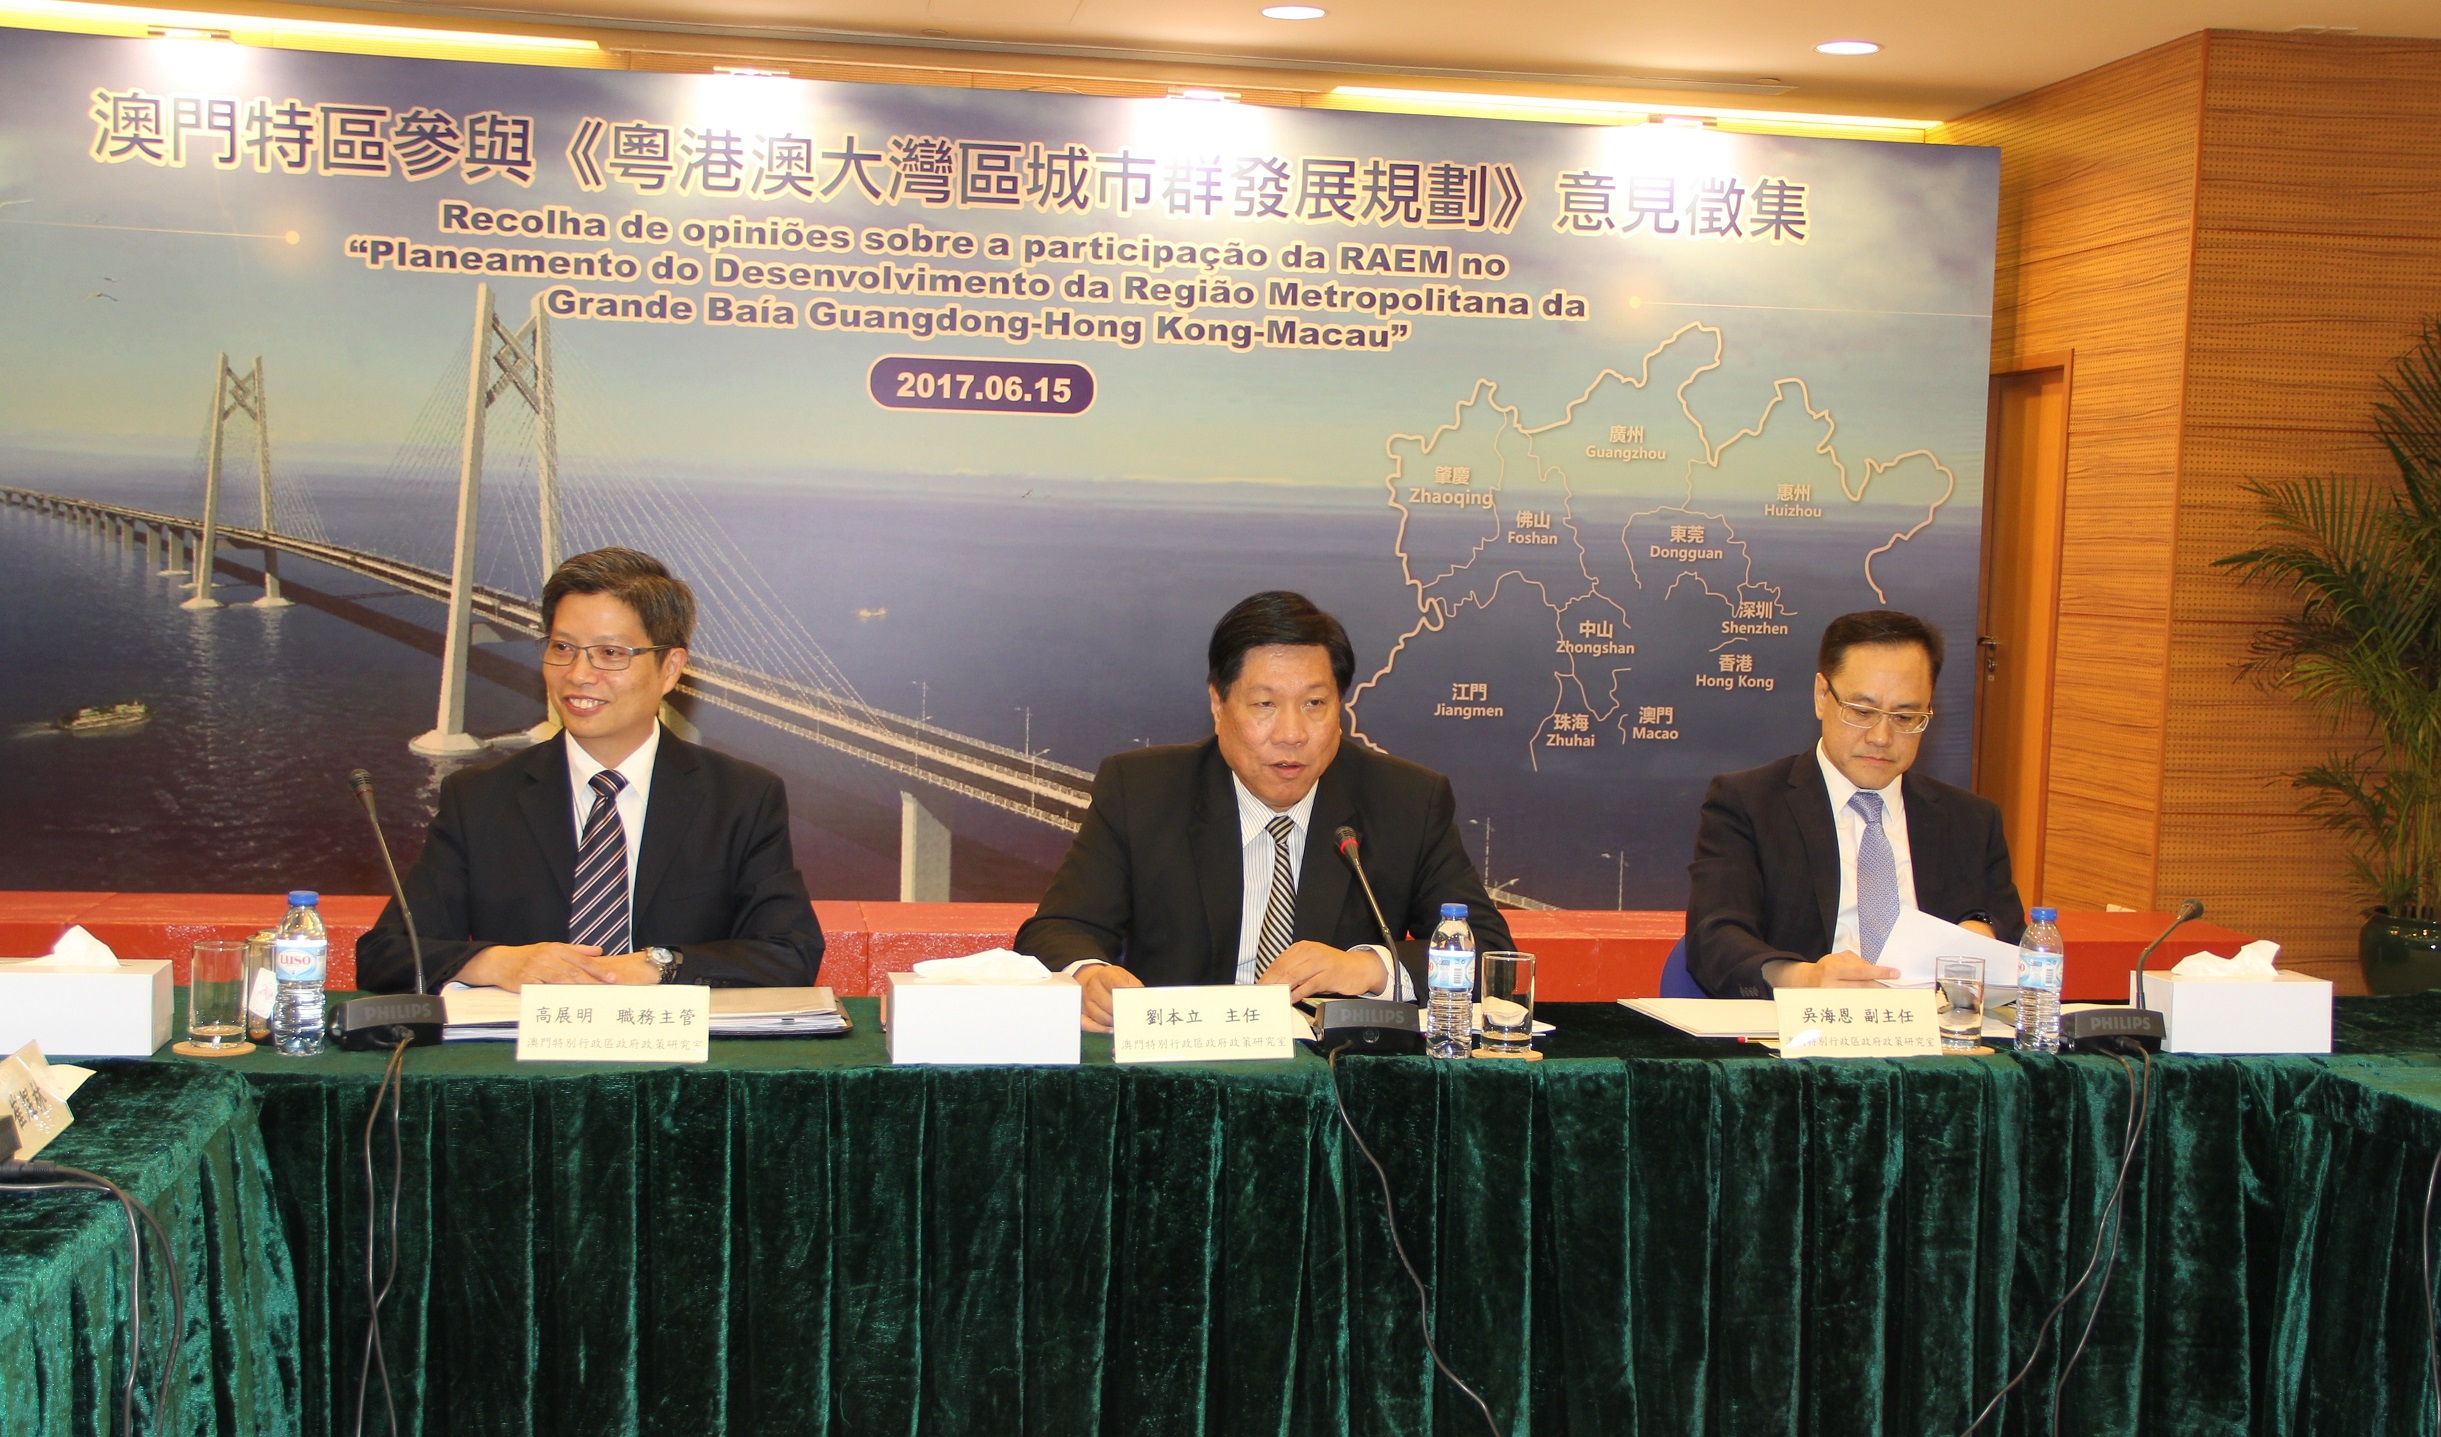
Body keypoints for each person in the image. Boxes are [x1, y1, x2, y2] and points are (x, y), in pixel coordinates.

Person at [1014, 590, 1513, 1032]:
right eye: (1265, 705)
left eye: (1314, 703)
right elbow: (1057, 929)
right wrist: (1089, 975)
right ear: (1218, 704)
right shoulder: (1142, 791)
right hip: (1180, 1064)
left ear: (1340, 707)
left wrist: (1369, 968)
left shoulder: (1406, 800)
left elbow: (1489, 951)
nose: (1291, 734)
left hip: (1334, 1081)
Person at [357, 547, 822, 993]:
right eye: (563, 647)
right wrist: (498, 963)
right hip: (529, 1045)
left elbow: (790, 951)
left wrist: (659, 964)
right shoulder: (480, 798)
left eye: (611, 654)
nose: (578, 674)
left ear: (670, 668)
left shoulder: (741, 797)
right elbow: (385, 954)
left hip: (671, 1043)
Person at [1684, 609, 2024, 999]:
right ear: (1821, 696)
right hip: (1806, 1025)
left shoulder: (1971, 820)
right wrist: (1804, 978)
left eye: (1905, 717)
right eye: (1862, 712)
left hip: (1934, 1029)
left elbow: (2013, 937)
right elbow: (1715, 938)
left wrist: (1982, 934)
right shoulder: (1749, 804)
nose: (1881, 737)